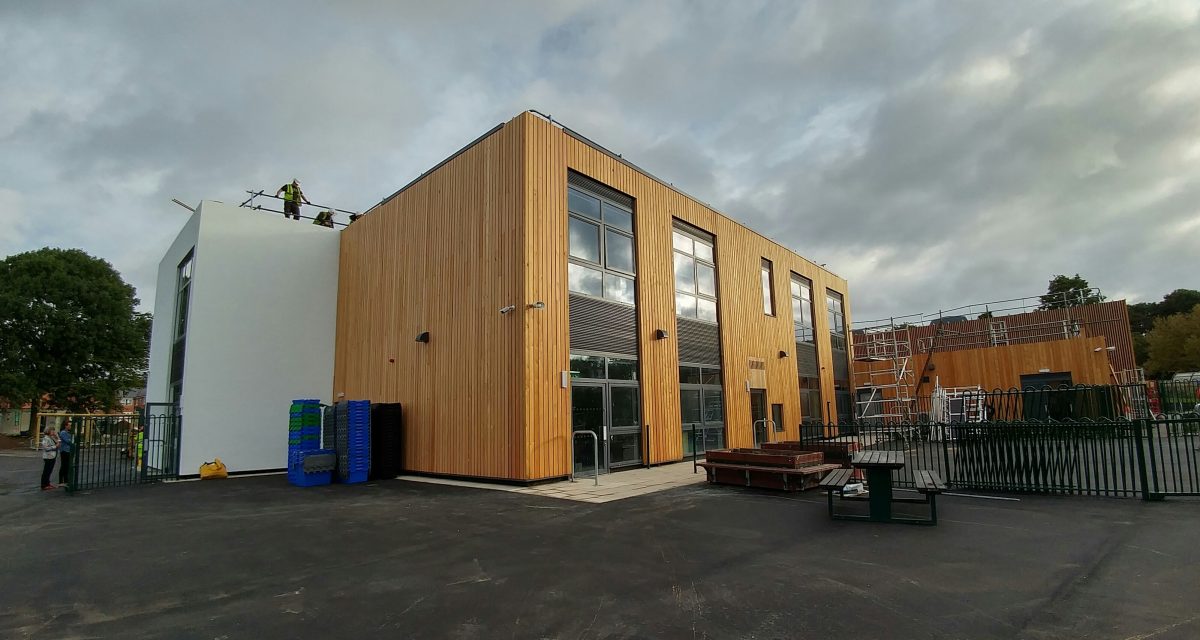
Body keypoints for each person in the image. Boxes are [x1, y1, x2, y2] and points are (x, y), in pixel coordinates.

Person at [39, 426, 58, 490]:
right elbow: (46, 448)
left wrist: (57, 436)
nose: (53, 432)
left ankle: (47, 483)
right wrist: (54, 447)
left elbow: (58, 442)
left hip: (52, 456)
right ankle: (44, 485)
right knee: (46, 471)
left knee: (49, 471)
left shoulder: (51, 437)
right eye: (52, 430)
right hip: (48, 456)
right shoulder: (46, 438)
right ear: (48, 431)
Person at [58, 420, 74, 487]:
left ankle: (66, 480)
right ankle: (61, 481)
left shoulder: (69, 433)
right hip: (64, 451)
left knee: (67, 466)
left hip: (69, 450)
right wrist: (71, 440)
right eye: (69, 425)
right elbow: (68, 441)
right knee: (64, 465)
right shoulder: (63, 433)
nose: (70, 426)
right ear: (66, 426)